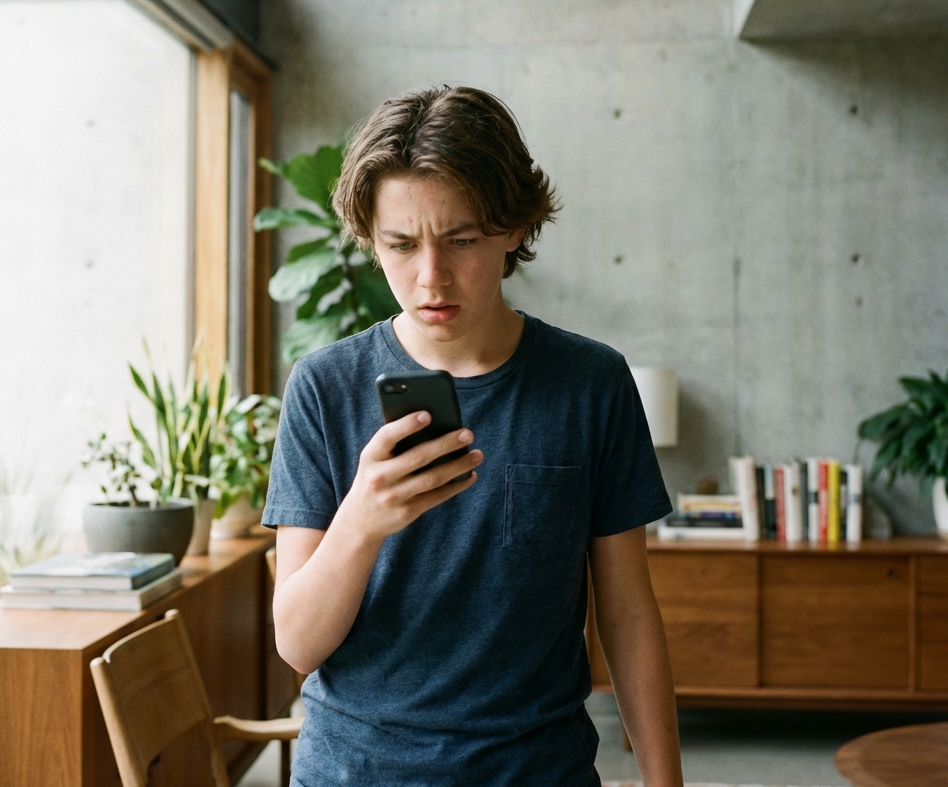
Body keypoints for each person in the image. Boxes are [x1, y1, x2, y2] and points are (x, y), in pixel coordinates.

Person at [265, 85, 683, 787]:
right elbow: (298, 646)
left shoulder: (591, 383)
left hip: (536, 772)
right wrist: (363, 522)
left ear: (515, 226)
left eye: (461, 240)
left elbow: (628, 611)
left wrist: (665, 782)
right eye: (400, 245)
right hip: (354, 773)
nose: (431, 278)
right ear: (371, 239)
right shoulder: (324, 388)